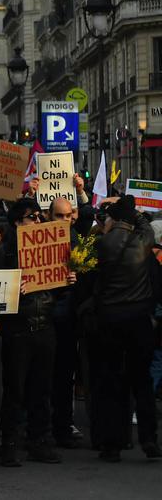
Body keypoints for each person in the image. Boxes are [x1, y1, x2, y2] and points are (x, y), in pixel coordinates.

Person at [80, 195, 160, 461]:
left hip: (109, 322)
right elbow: (145, 224)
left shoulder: (101, 244)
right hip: (138, 320)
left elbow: (90, 279)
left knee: (111, 382)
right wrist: (131, 211)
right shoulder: (143, 242)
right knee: (142, 381)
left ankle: (112, 444)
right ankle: (149, 438)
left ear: (112, 220)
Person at [0, 198, 62, 466]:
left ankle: (39, 441)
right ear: (17, 222)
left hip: (45, 327)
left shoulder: (51, 248)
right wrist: (12, 288)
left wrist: (67, 280)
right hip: (18, 331)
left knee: (42, 389)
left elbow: (57, 289)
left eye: (38, 216)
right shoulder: (5, 255)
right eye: (30, 217)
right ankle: (10, 443)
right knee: (15, 391)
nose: (36, 221)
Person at [46, 197, 84, 449]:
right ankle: (40, 428)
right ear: (49, 216)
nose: (64, 220)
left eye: (68, 215)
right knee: (41, 377)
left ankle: (62, 426)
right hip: (43, 319)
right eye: (59, 215)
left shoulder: (79, 244)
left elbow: (92, 280)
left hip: (68, 320)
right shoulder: (38, 240)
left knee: (64, 377)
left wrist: (78, 277)